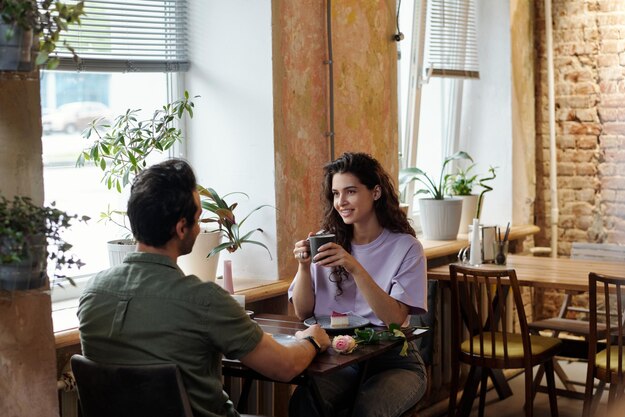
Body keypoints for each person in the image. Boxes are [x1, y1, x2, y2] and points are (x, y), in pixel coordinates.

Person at [78, 158, 331, 417]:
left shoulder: (92, 292)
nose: (200, 229)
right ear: (181, 228)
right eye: (198, 219)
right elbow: (284, 367)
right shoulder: (203, 299)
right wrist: (311, 340)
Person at [288, 152, 428, 417]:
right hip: (339, 359)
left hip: (394, 361)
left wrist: (354, 266)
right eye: (335, 193)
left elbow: (395, 320)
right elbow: (303, 313)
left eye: (350, 191)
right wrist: (304, 267)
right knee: (304, 403)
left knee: (367, 411)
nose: (341, 202)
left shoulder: (406, 248)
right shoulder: (325, 242)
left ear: (375, 192)